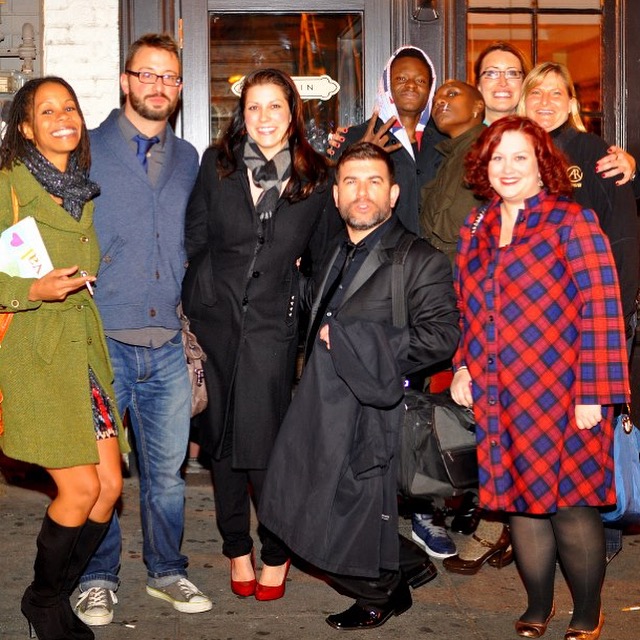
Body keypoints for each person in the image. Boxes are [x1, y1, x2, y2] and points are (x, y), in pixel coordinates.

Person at [258, 141, 460, 630]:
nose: (361, 193)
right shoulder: (336, 249)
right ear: (336, 194)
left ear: (393, 194)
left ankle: (382, 592)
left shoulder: (419, 258)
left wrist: (354, 341)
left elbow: (442, 336)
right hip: (323, 402)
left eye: (373, 182)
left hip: (373, 409)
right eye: (350, 181)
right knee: (297, 496)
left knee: (346, 508)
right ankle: (409, 567)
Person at [451, 115, 630, 640]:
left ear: (541, 165)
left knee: (571, 505)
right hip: (499, 392)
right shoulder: (477, 226)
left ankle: (587, 612)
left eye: (520, 157)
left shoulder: (569, 221)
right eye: (497, 157)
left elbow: (602, 307)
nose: (507, 168)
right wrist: (463, 364)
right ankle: (538, 605)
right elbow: (469, 309)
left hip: (564, 390)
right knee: (520, 504)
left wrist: (596, 394)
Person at [181, 67, 335, 602]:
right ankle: (235, 548)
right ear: (240, 115)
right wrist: (196, 299)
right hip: (214, 323)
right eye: (253, 107)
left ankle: (276, 550)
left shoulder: (316, 178)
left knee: (265, 447)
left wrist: (301, 299)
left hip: (273, 329)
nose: (263, 117)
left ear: (292, 114)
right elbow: (197, 237)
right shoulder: (216, 165)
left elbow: (326, 260)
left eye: (274, 106)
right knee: (220, 444)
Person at [74, 33, 212, 625]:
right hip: (102, 341)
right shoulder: (85, 149)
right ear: (126, 80)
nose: (159, 86)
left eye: (170, 78)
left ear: (179, 90)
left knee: (167, 478)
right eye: (148, 74)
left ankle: (166, 570)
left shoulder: (189, 158)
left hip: (166, 348)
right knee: (100, 477)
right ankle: (98, 576)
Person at [0, 77, 126, 640]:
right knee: (77, 489)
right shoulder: (7, 186)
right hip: (33, 353)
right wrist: (33, 291)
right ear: (25, 127)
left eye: (69, 107)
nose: (61, 117)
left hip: (83, 353)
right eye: (46, 110)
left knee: (109, 489)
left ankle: (52, 597)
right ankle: (43, 604)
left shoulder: (79, 190)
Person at [520, 62, 640, 565]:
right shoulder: (516, 152)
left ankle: (603, 532)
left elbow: (624, 240)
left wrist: (619, 320)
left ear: (572, 103)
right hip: (531, 326)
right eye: (535, 92)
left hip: (591, 324)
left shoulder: (594, 156)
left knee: (592, 435)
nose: (545, 101)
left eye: (556, 92)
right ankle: (540, 528)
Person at [475, 41, 636, 184]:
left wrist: (630, 169)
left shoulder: (557, 144)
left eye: (512, 73)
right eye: (491, 73)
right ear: (478, 85)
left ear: (524, 84)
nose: (502, 82)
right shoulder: (462, 144)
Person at [329, 45, 445, 236]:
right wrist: (361, 155)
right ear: (387, 85)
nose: (411, 85)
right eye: (401, 78)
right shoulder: (353, 138)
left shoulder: (445, 141)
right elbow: (329, 205)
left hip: (435, 260)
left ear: (430, 88)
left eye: (421, 80)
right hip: (377, 258)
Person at [420, 80, 485, 264]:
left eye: (451, 94)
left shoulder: (493, 149)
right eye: (435, 101)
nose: (439, 101)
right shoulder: (449, 155)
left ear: (478, 106)